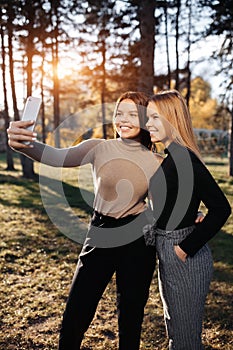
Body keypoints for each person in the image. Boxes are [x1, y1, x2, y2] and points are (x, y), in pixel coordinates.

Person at [7, 91, 161, 350]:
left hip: (137, 242)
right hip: (100, 233)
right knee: (76, 313)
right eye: (119, 113)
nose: (123, 119)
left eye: (132, 114)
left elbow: (162, 207)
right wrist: (22, 143)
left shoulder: (157, 162)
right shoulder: (98, 147)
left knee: (131, 318)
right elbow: (54, 157)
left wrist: (194, 215)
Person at [146, 89, 231, 350]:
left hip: (183, 256)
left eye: (154, 118)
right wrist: (189, 214)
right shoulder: (174, 156)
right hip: (170, 249)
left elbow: (221, 208)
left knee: (184, 340)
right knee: (177, 330)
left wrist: (185, 249)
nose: (148, 124)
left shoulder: (184, 159)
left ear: (172, 118)